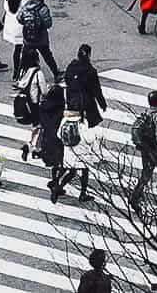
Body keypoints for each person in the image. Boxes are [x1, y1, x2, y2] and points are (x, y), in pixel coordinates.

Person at [64, 43, 107, 203]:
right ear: (88, 55)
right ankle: (91, 152)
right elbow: (97, 90)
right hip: (87, 104)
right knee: (89, 129)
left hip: (73, 102)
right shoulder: (90, 71)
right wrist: (102, 103)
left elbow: (67, 81)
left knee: (76, 126)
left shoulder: (71, 67)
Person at [128, 90, 157, 210]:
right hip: (156, 150)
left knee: (146, 173)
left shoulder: (146, 113)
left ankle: (135, 197)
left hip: (146, 148)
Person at [18, 0, 58, 74]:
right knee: (47, 56)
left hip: (28, 37)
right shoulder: (42, 8)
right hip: (41, 38)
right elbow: (48, 24)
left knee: (24, 57)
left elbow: (19, 18)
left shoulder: (26, 6)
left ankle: (18, 76)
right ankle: (56, 73)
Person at [1, 0, 31, 82]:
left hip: (12, 24)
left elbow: (6, 6)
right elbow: (27, 9)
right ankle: (24, 71)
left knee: (17, 49)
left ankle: (16, 73)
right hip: (22, 25)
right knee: (27, 48)